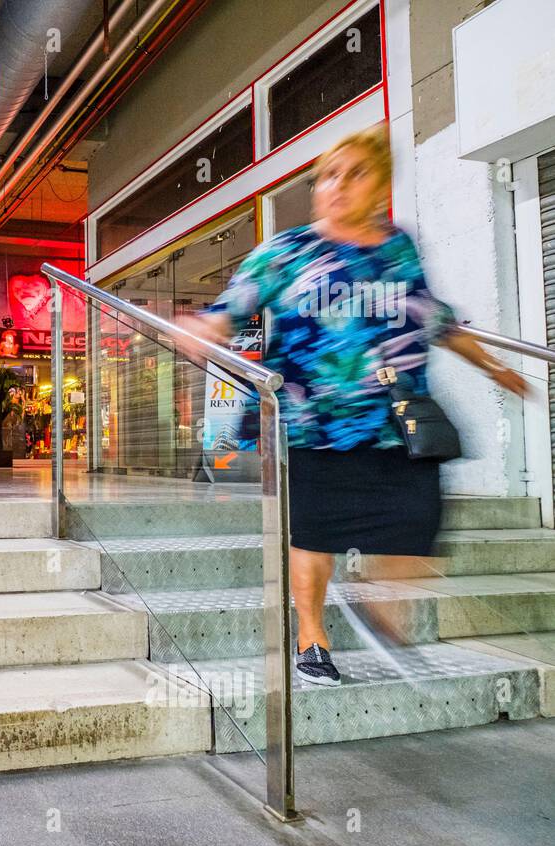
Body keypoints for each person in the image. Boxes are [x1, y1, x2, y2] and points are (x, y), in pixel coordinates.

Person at [201, 125, 530, 687]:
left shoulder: (397, 248)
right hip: (312, 425)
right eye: (329, 174)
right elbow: (231, 310)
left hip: (393, 424)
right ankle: (312, 637)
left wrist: (493, 365)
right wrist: (201, 328)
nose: (338, 185)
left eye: (355, 173)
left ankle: (380, 604)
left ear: (381, 184)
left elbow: (434, 316)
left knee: (417, 520)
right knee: (313, 535)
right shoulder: (286, 252)